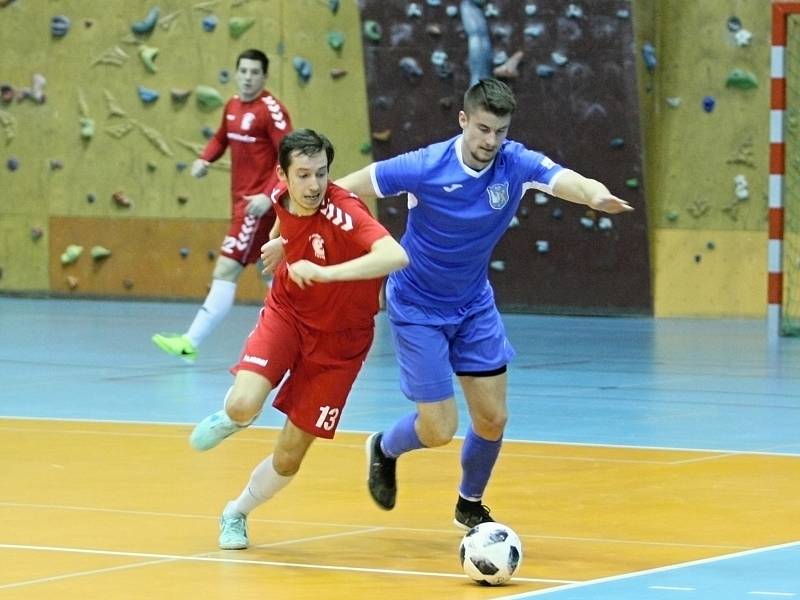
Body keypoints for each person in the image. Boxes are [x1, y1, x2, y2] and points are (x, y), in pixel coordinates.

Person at [334, 78, 633, 530]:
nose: (490, 141)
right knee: (438, 429)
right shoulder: (424, 165)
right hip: (417, 306)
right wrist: (354, 237)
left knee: (492, 418)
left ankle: (469, 503)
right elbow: (347, 189)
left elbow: (561, 178)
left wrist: (594, 194)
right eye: (482, 129)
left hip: (473, 305)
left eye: (500, 131)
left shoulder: (514, 163)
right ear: (463, 121)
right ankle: (383, 447)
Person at [188, 129, 409, 550]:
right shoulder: (280, 194)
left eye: (321, 174)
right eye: (303, 175)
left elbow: (395, 256)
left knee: (289, 457)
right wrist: (279, 244)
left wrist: (325, 273)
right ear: (283, 176)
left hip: (341, 345)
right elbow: (287, 221)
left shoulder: (343, 208)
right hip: (288, 314)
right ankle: (235, 418)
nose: (313, 186)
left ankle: (235, 512)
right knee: (241, 403)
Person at [152, 48, 293, 364]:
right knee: (269, 271)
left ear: (264, 76)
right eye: (242, 71)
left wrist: (268, 196)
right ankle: (298, 331)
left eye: (254, 72)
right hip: (242, 204)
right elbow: (220, 139)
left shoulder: (271, 111)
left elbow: (289, 156)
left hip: (257, 208)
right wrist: (204, 158)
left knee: (227, 267)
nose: (247, 77)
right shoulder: (231, 105)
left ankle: (190, 341)